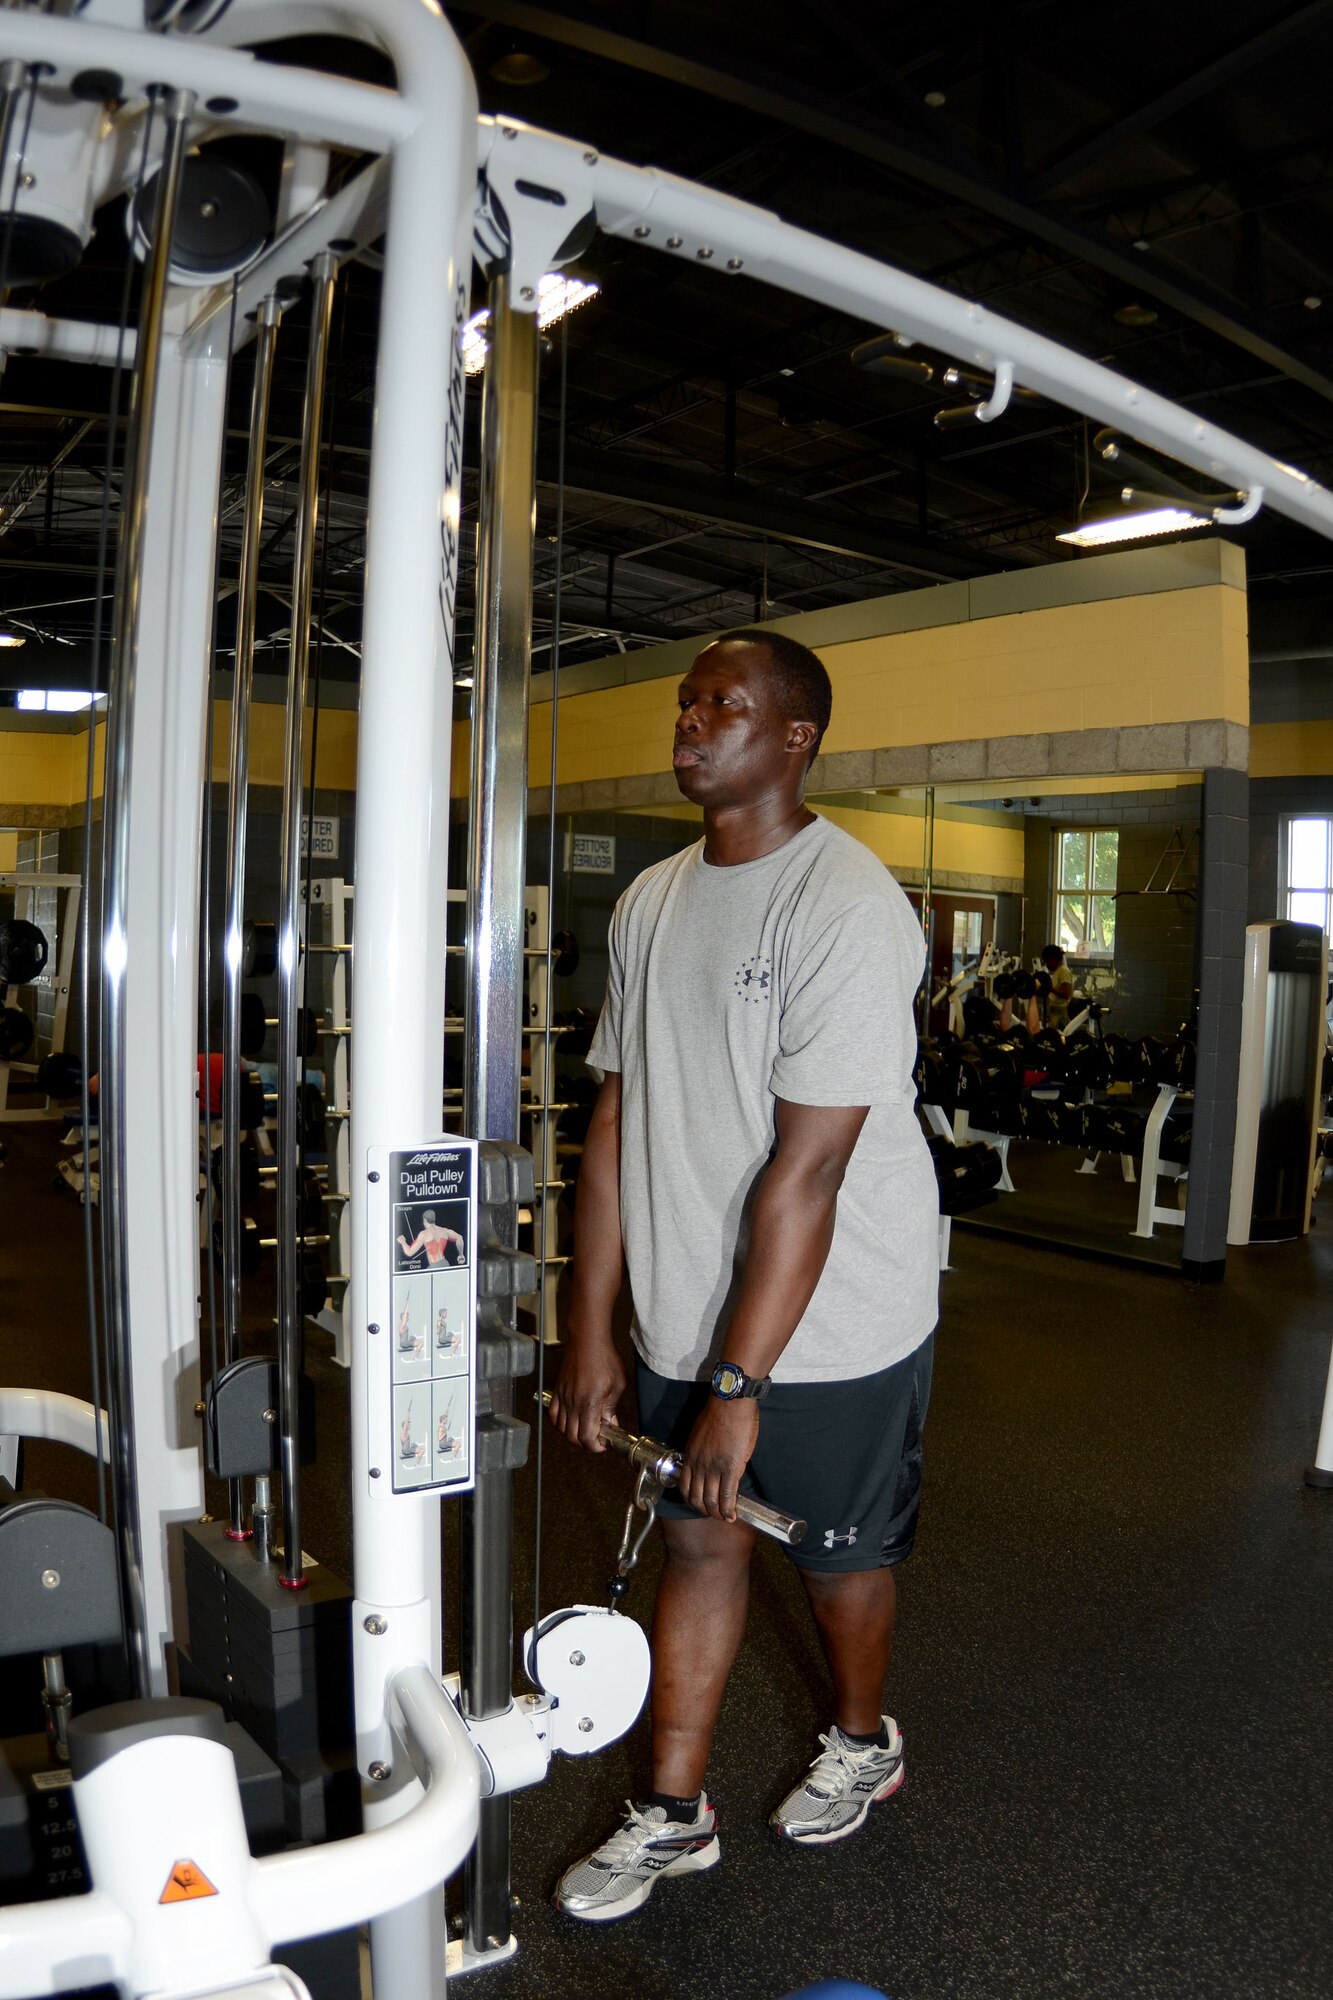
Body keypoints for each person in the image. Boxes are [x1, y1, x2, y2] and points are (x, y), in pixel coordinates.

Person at [548, 628, 939, 1923]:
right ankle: (670, 1811)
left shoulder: (845, 906)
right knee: (700, 1550)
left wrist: (736, 1382)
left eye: (725, 703)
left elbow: (807, 1176)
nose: (690, 720)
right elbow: (611, 1124)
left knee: (833, 1564)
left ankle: (862, 1739)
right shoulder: (652, 900)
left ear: (792, 738)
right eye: (685, 701)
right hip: (679, 1319)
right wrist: (592, 1329)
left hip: (831, 1328)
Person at [396, 1210, 465, 1266]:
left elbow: (409, 1252)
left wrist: (403, 1242)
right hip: (445, 1263)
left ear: (424, 1220)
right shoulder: (445, 1230)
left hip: (434, 1266)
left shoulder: (424, 1234)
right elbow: (459, 1238)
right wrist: (461, 1254)